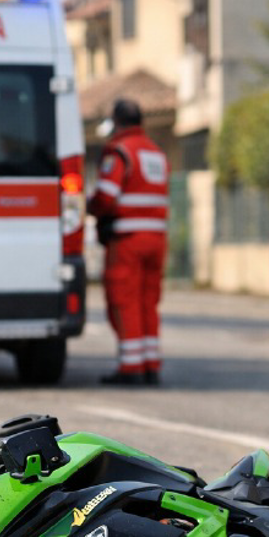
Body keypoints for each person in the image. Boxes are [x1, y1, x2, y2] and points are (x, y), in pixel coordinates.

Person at [87, 98, 170, 385]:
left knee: (124, 301)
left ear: (117, 121)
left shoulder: (120, 151)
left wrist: (89, 206)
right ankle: (150, 364)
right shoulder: (156, 152)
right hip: (156, 239)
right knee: (149, 301)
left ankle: (130, 367)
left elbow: (106, 197)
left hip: (127, 240)